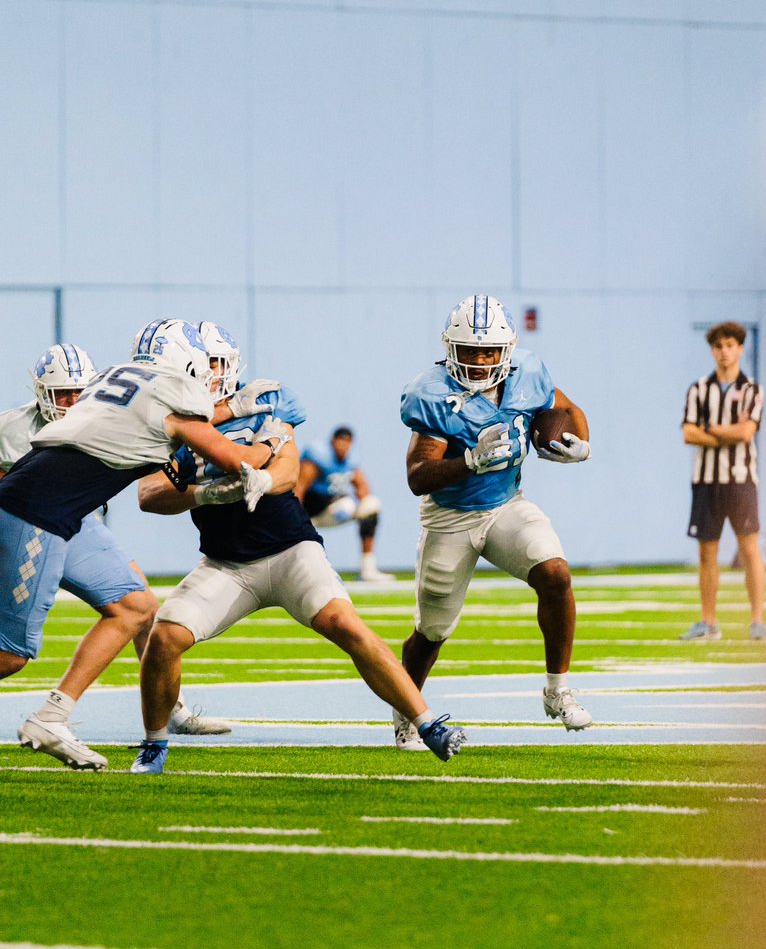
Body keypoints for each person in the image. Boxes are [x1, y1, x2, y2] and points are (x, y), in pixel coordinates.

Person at [134, 323, 465, 774]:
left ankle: (426, 722)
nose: (207, 373)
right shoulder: (172, 425)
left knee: (346, 624)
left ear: (229, 366)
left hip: (290, 550)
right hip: (226, 564)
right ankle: (154, 745)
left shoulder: (262, 403)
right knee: (164, 637)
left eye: (215, 363)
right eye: (201, 364)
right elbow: (149, 495)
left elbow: (289, 472)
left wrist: (262, 477)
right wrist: (207, 493)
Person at [0, 318, 281, 769]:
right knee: (10, 655)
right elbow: (236, 460)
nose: (210, 377)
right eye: (205, 366)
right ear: (184, 362)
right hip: (36, 512)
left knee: (135, 606)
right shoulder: (175, 392)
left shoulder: (115, 375)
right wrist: (273, 438)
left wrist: (226, 413)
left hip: (61, 509)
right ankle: (51, 718)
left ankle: (53, 715)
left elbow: (171, 428)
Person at [394, 293, 592, 752]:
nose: (480, 361)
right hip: (449, 517)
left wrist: (581, 444)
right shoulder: (432, 393)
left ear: (506, 350)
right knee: (431, 632)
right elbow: (417, 477)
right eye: (469, 350)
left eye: (488, 351)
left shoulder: (527, 372)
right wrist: (468, 460)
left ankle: (557, 690)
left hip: (506, 505)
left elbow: (566, 408)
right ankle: (407, 709)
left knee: (555, 573)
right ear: (450, 349)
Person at [679, 321, 766, 641]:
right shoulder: (699, 389)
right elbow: (688, 433)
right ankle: (708, 622)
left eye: (730, 345)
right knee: (707, 552)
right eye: (718, 346)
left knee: (749, 548)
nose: (724, 352)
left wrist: (710, 430)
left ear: (740, 348)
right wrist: (725, 434)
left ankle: (757, 620)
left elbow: (747, 432)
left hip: (742, 480)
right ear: (712, 350)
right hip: (706, 481)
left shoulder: (752, 389)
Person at [296, 426, 395, 582]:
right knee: (346, 505)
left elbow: (363, 486)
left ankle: (368, 569)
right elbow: (299, 489)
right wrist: (297, 519)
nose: (344, 446)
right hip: (310, 513)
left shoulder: (350, 460)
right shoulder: (319, 456)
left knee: (371, 506)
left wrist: (360, 496)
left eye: (347, 442)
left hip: (333, 511)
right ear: (332, 441)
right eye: (340, 441)